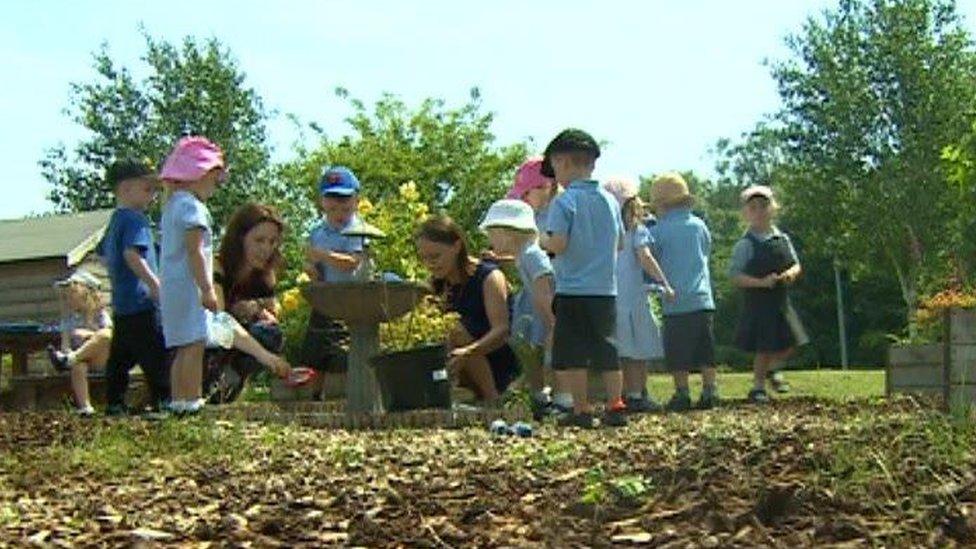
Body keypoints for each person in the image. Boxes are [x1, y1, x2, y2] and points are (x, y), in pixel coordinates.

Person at [160, 137, 298, 416]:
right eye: (213, 177)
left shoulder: (173, 205)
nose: (216, 184)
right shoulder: (192, 208)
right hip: (190, 289)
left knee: (183, 345)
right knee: (193, 345)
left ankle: (179, 401)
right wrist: (207, 288)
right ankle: (192, 400)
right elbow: (196, 251)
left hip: (174, 289)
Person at [540, 128, 627, 428]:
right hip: (605, 289)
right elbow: (620, 244)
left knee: (574, 351)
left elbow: (559, 243)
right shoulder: (610, 201)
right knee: (607, 348)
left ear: (561, 163)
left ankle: (582, 409)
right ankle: (616, 404)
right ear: (591, 164)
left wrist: (542, 241)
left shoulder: (563, 203)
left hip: (572, 288)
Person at [207, 202, 315, 402]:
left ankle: (230, 383)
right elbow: (218, 322)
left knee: (269, 333)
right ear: (240, 238)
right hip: (206, 344)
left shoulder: (265, 275)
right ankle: (212, 382)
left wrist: (259, 311)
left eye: (272, 242)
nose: (266, 248)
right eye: (259, 240)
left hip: (242, 343)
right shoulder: (216, 266)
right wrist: (266, 357)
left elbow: (273, 311)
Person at [88, 158, 170, 416]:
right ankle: (164, 400)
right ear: (125, 190)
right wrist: (154, 284)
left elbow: (101, 255)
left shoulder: (115, 221)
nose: (153, 196)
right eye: (147, 189)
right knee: (155, 353)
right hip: (141, 300)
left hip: (122, 303)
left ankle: (115, 401)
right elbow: (132, 255)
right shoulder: (136, 221)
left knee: (120, 358)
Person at [416, 215, 520, 403]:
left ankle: (493, 399)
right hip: (457, 364)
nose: (430, 264)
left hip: (495, 359)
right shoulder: (437, 286)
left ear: (456, 247)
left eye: (435, 256)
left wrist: (469, 352)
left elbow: (502, 330)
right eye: (424, 258)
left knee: (453, 327)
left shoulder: (489, 277)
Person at [730, 185, 808, 403]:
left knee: (791, 341)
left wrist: (790, 275)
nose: (759, 211)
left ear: (773, 208)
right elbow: (735, 275)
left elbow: (796, 264)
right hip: (758, 303)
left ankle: (774, 369)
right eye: (753, 207)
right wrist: (760, 283)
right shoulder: (745, 244)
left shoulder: (782, 239)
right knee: (763, 347)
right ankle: (758, 387)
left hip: (781, 301)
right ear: (746, 213)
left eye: (764, 206)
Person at [648, 172, 719, 412]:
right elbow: (707, 252)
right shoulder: (699, 226)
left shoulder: (658, 231)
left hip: (674, 300)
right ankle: (710, 389)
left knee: (677, 352)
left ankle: (682, 392)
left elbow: (653, 260)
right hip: (701, 298)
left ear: (662, 205)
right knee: (705, 349)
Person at [603, 178, 674, 413]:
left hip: (612, 298)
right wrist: (664, 282)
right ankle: (637, 394)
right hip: (633, 298)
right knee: (639, 350)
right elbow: (645, 258)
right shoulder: (637, 230)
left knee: (623, 351)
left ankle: (628, 393)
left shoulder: (606, 233)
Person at [480, 199, 556, 418]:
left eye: (492, 234)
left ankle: (545, 397)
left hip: (541, 312)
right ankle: (536, 395)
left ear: (508, 233)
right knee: (531, 356)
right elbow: (519, 261)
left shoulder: (533, 255)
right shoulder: (525, 253)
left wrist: (551, 319)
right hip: (534, 309)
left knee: (541, 357)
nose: (490, 240)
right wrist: (500, 259)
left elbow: (544, 283)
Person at [300, 167, 364, 377]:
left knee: (344, 349)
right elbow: (313, 263)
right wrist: (311, 269)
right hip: (326, 296)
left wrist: (324, 255)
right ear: (323, 203)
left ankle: (350, 389)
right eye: (333, 209)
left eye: (345, 209)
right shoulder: (317, 232)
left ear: (355, 202)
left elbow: (352, 263)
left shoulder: (356, 230)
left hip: (351, 297)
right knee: (316, 349)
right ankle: (315, 393)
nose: (339, 215)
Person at [47, 270, 113, 416]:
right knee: (78, 366)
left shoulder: (100, 314)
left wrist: (89, 334)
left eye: (71, 295)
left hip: (101, 359)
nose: (68, 300)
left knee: (105, 335)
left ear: (85, 295)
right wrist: (68, 352)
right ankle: (85, 407)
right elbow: (65, 344)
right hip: (82, 359)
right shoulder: (69, 319)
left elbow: (108, 335)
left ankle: (70, 359)